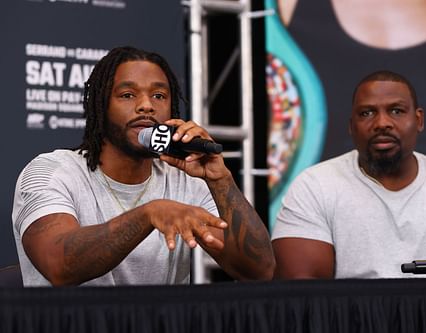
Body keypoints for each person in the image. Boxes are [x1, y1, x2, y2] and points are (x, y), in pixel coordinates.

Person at [12, 46, 275, 286]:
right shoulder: (51, 172)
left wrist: (221, 180)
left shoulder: (187, 181)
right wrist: (149, 214)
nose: (146, 106)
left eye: (159, 95)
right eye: (127, 95)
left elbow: (258, 270)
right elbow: (60, 264)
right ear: (100, 106)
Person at [272, 70, 426, 279]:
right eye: (367, 113)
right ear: (351, 126)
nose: (382, 123)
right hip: (350, 323)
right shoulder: (314, 186)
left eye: (396, 111)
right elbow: (305, 297)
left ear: (419, 120)